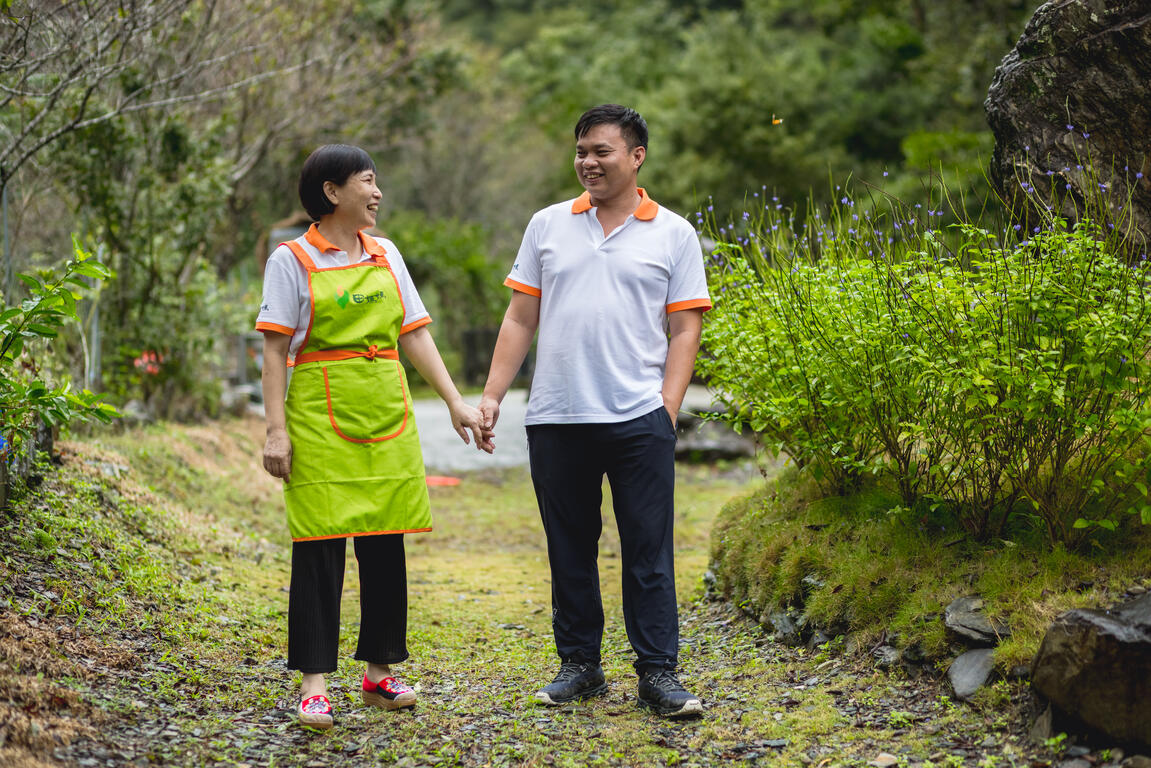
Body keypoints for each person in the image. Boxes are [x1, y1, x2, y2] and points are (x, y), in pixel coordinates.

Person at [478, 105, 711, 717]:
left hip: (639, 418)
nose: (588, 161)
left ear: (636, 157)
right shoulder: (547, 225)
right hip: (556, 415)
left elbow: (685, 328)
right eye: (582, 150)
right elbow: (520, 316)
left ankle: (659, 674)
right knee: (569, 548)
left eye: (602, 151)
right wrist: (494, 395)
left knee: (648, 550)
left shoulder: (674, 233)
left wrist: (667, 406)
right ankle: (580, 665)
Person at [256, 144, 488, 729]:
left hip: (385, 410)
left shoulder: (386, 255)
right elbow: (276, 349)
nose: (377, 192)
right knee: (319, 545)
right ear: (332, 192)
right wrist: (276, 432)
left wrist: (456, 400)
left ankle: (380, 674)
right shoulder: (292, 259)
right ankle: (314, 684)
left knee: (386, 541)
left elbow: (413, 333)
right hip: (319, 415)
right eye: (367, 181)